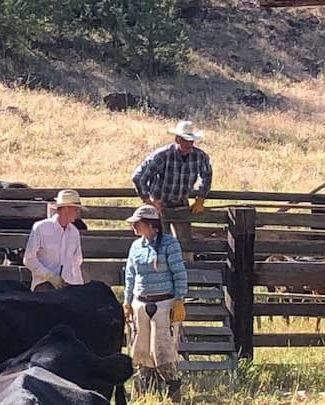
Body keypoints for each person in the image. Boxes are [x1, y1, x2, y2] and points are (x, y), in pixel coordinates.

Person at [122, 204, 187, 403]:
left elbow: (179, 273)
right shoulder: (136, 246)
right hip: (140, 302)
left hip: (164, 303)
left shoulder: (169, 244)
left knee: (163, 349)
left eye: (138, 223)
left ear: (150, 224)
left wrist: (179, 300)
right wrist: (127, 301)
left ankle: (173, 390)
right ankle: (144, 392)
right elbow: (130, 276)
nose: (134, 227)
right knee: (140, 349)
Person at [132, 120, 212, 262]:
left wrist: (201, 198)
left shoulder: (200, 156)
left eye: (191, 141)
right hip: (159, 204)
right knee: (158, 241)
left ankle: (187, 275)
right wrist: (148, 201)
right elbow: (139, 177)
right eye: (185, 140)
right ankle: (158, 272)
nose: (188, 144)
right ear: (177, 139)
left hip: (181, 203)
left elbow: (207, 176)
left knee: (185, 243)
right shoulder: (162, 155)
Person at [23, 189, 85, 292]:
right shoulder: (41, 228)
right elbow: (29, 259)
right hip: (44, 285)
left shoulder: (74, 232)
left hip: (68, 286)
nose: (77, 213)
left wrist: (80, 289)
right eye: (75, 209)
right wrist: (49, 276)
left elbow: (76, 263)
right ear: (66, 208)